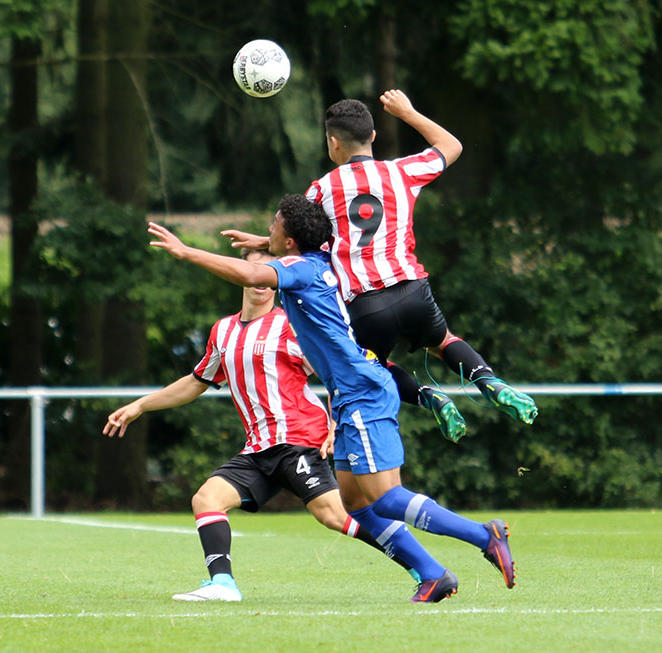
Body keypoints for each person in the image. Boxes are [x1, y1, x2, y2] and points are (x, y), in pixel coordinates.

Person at [147, 195, 516, 603]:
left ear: (290, 242)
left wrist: (186, 252)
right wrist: (265, 240)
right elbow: (306, 247)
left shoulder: (297, 270)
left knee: (387, 497)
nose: (269, 228)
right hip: (351, 393)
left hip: (361, 392)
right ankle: (431, 574)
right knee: (355, 506)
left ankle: (483, 535)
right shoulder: (325, 260)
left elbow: (247, 272)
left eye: (274, 224)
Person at [103, 248, 419, 603]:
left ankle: (421, 565)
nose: (261, 280)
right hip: (258, 449)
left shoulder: (291, 325)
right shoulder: (222, 331)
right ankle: (223, 584)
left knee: (334, 515)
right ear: (243, 275)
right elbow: (196, 381)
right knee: (206, 499)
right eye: (255, 269)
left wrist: (336, 423)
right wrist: (140, 406)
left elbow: (339, 370)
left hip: (299, 439)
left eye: (269, 273)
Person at [222, 90, 537, 443]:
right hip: (413, 290)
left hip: (365, 306)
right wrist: (408, 112)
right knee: (442, 340)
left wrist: (265, 243)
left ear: (332, 143)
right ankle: (487, 380)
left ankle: (427, 397)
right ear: (373, 136)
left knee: (370, 362)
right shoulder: (401, 172)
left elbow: (302, 238)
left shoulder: (321, 190)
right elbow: (451, 145)